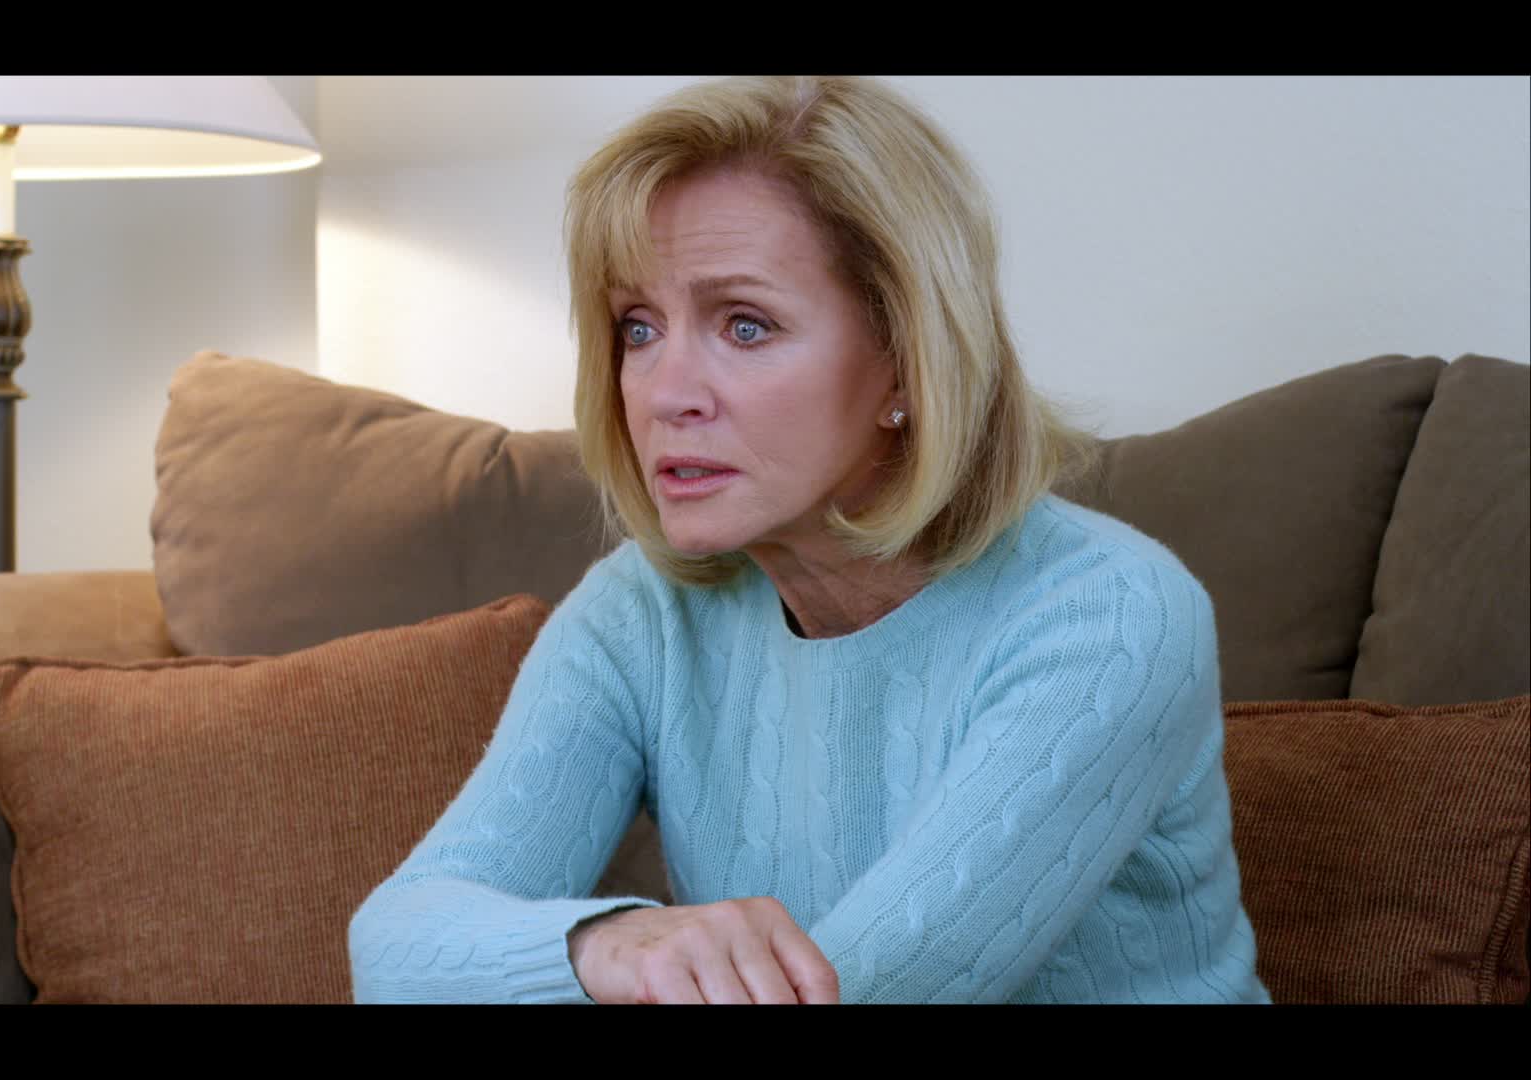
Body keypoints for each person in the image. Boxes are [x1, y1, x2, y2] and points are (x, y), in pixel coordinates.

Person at [348, 75, 1271, 1004]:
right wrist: (601, 944)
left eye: (745, 325)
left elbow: (860, 992)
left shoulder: (1110, 614)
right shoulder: (643, 610)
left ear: (906, 361)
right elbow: (393, 944)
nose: (666, 393)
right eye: (639, 327)